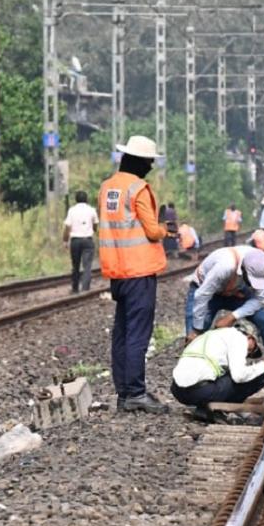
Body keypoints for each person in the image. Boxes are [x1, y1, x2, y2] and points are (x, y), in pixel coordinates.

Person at [98, 135, 171, 413]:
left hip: (117, 271)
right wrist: (167, 230)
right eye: (149, 162)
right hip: (139, 270)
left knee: (122, 332)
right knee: (138, 333)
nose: (151, 167)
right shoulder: (139, 189)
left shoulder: (107, 188)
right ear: (138, 162)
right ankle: (136, 393)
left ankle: (123, 393)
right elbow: (152, 231)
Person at [184, 245, 264, 388]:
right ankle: (195, 381)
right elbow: (202, 295)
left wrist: (232, 316)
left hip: (237, 292)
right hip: (206, 291)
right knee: (194, 337)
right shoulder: (225, 266)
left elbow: (260, 299)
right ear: (242, 270)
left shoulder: (263, 266)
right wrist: (197, 329)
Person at [171, 319, 264, 422]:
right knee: (259, 377)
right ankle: (218, 408)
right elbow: (239, 376)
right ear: (250, 337)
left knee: (225, 375)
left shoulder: (210, 335)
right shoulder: (239, 338)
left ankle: (203, 409)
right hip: (200, 392)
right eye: (252, 349)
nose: (248, 354)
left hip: (178, 391)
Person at [63, 190, 99, 293]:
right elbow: (95, 225)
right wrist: (94, 230)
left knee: (75, 265)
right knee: (87, 266)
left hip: (75, 241)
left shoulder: (72, 210)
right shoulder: (91, 210)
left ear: (76, 199)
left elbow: (67, 227)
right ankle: (85, 289)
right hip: (88, 241)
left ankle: (75, 288)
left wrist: (65, 240)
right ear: (86, 199)